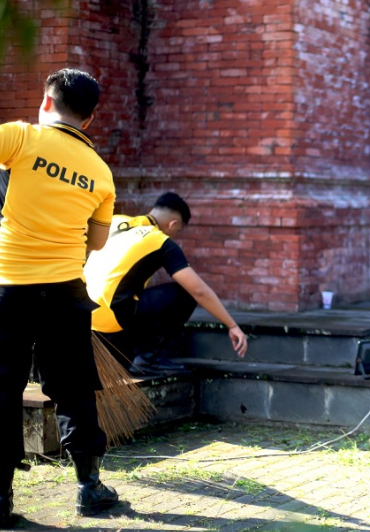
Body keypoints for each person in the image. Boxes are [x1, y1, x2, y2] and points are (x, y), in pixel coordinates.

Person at [0, 68, 120, 525]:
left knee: (3, 388)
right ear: (89, 119)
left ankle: (1, 501)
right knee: (74, 389)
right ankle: (89, 487)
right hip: (67, 292)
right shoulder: (101, 171)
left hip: (8, 288)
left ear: (47, 102)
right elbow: (98, 242)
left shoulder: (21, 138)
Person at [85, 192, 247, 376]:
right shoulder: (160, 241)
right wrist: (232, 325)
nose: (175, 235)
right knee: (185, 293)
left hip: (82, 318)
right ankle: (149, 359)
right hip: (112, 324)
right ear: (173, 224)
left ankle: (134, 353)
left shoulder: (114, 221)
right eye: (177, 231)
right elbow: (199, 291)